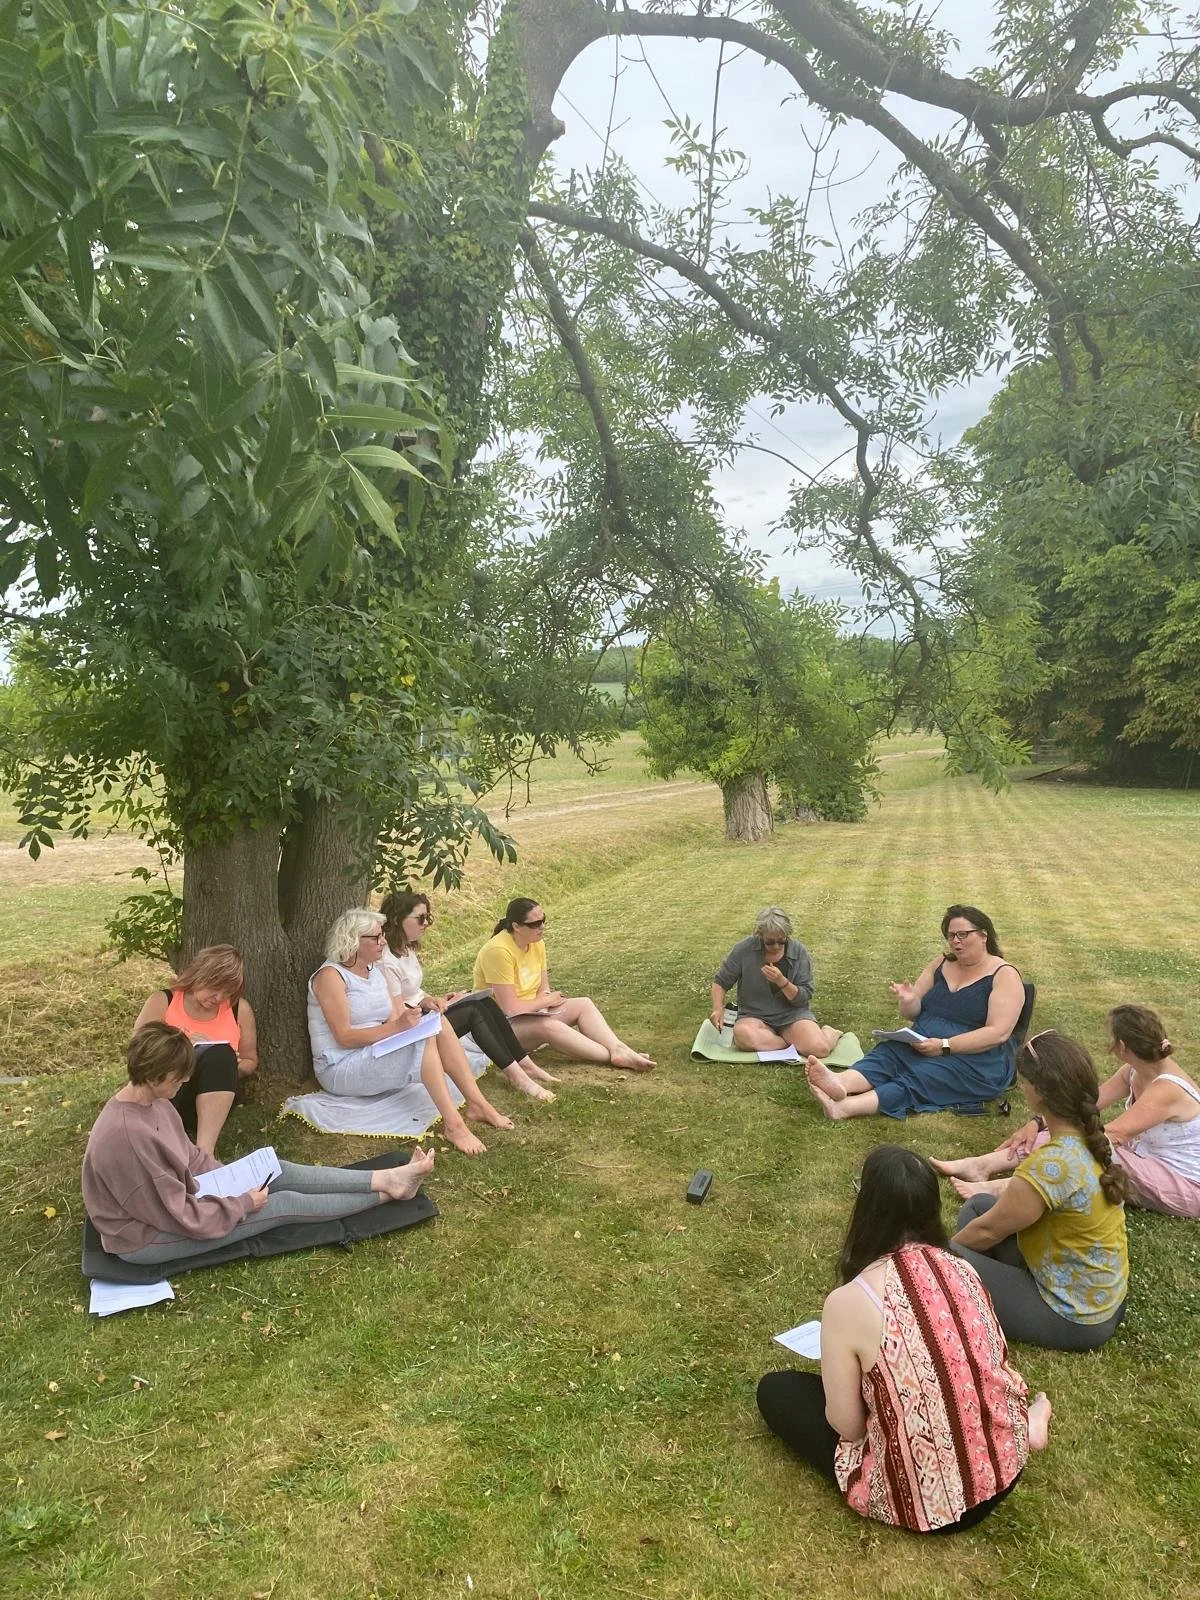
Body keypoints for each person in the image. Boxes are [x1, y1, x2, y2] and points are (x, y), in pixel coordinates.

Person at [756, 1145, 1048, 1534]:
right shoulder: (964, 1269)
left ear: (866, 1209)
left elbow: (849, 1427)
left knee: (777, 1391)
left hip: (932, 1505)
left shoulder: (850, 1300)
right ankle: (1026, 1428)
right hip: (1002, 1470)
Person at [82, 1022, 435, 1264]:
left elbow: (192, 1159)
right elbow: (178, 1216)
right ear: (154, 1074)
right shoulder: (127, 1138)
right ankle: (390, 1194)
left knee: (275, 1169)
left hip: (178, 1203)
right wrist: (241, 1203)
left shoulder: (155, 1102)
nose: (187, 1081)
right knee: (279, 1206)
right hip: (146, 1236)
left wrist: (233, 1177)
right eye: (180, 1076)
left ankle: (386, 1178)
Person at [949, 1029, 1129, 1351]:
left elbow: (989, 1231)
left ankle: (966, 1294)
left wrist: (942, 1257)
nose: (1020, 1086)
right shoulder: (1095, 1139)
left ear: (1040, 1093)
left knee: (945, 1263)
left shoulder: (1052, 1165)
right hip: (1100, 1299)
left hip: (1073, 1317)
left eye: (1023, 1080)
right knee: (977, 1204)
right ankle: (980, 1286)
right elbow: (990, 1220)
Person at [934, 1005, 1200, 1219]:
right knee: (1064, 1132)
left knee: (1087, 1145)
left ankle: (1003, 1187)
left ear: (1122, 1047)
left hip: (1185, 1186)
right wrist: (1038, 1123)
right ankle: (981, 1165)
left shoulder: (1167, 1089)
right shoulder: (1135, 1070)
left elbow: (1113, 1135)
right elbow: (1087, 1102)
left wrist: (1061, 1136)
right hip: (1146, 1159)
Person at [307, 907, 514, 1156]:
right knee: (423, 1040)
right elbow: (345, 1037)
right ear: (352, 940)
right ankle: (453, 1125)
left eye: (382, 935)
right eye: (375, 937)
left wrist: (416, 1012)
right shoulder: (330, 976)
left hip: (373, 1050)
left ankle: (478, 1103)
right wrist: (398, 1027)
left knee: (438, 1024)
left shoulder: (373, 969)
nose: (383, 941)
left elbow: (394, 1016)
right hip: (340, 1065)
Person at [804, 904, 1024, 1120]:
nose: (956, 941)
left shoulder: (1004, 975)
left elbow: (998, 1033)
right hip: (925, 1042)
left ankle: (846, 1107)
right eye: (951, 935)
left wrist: (945, 1046)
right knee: (888, 1054)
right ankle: (840, 1083)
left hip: (976, 1060)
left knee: (924, 1075)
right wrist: (908, 1001)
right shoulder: (941, 963)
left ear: (984, 935)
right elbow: (912, 1013)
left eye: (963, 934)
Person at [378, 889, 558, 1102]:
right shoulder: (386, 960)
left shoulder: (405, 949)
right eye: (420, 918)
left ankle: (526, 1065)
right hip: (405, 1030)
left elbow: (413, 992)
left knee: (484, 1001)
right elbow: (397, 1013)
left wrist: (437, 1000)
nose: (426, 923)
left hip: (419, 1014)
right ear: (398, 919)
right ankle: (518, 1077)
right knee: (474, 1011)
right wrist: (431, 1007)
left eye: (428, 917)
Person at [472, 898, 655, 1071]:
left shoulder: (536, 943)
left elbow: (543, 988)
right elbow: (509, 1008)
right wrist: (545, 1003)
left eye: (543, 920)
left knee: (583, 1003)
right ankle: (612, 1056)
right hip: (498, 1026)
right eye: (535, 924)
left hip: (530, 1014)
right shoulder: (498, 951)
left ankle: (619, 1049)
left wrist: (544, 1003)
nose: (542, 927)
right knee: (548, 1026)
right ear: (516, 926)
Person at [132, 945, 257, 1156]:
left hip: (216, 1094)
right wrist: (183, 1047)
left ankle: (205, 1151)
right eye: (214, 987)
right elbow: (138, 1053)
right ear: (199, 974)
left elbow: (250, 1061)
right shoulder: (164, 1001)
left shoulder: (238, 1010)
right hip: (168, 1091)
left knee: (220, 1055)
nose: (218, 997)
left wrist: (233, 1066)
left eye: (227, 992)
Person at [710, 907, 841, 1057]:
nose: (776, 946)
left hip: (792, 1015)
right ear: (760, 936)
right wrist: (718, 1008)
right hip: (754, 1015)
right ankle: (789, 1044)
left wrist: (782, 982)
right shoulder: (744, 949)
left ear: (787, 935)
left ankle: (829, 1033)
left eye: (782, 941)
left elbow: (804, 997)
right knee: (742, 1034)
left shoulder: (799, 952)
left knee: (820, 1048)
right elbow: (721, 982)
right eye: (770, 942)